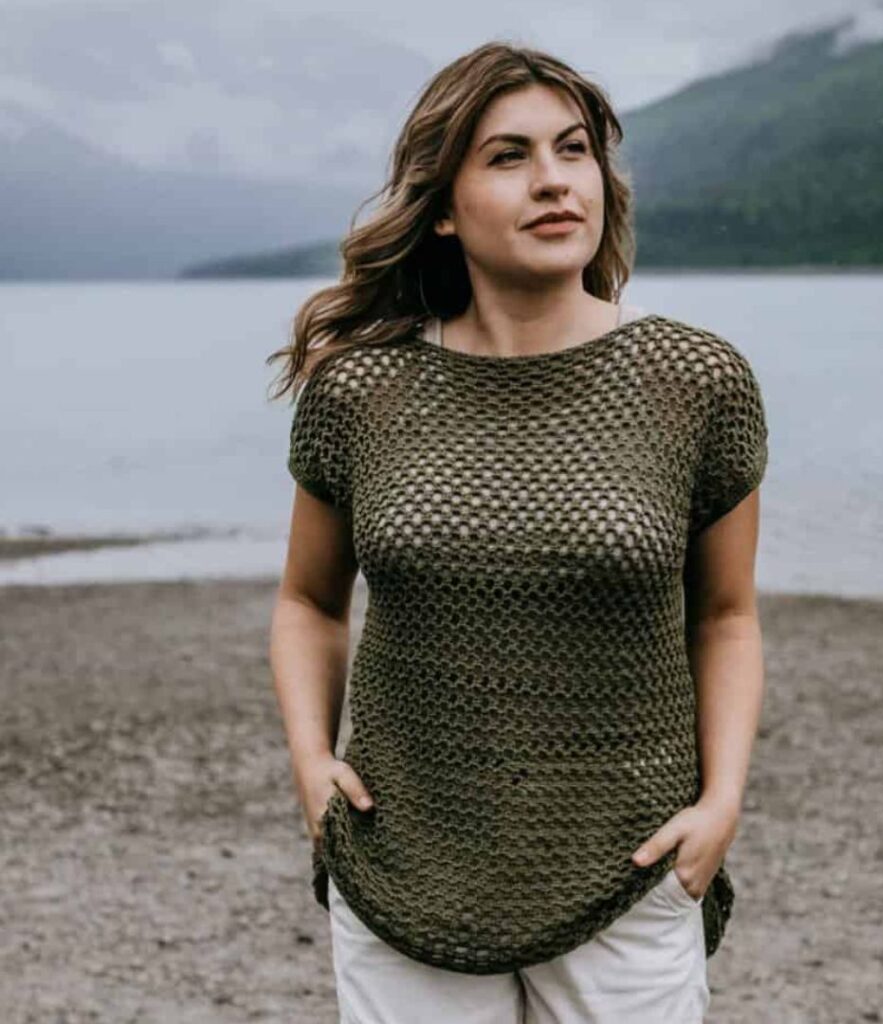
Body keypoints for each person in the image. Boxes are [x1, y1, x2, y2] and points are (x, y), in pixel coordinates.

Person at [267, 40, 769, 1024]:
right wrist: (308, 765)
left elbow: (726, 616)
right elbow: (306, 602)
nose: (553, 181)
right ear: (443, 205)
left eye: (573, 150)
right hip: (403, 865)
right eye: (508, 156)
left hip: (633, 864)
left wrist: (723, 802)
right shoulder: (360, 390)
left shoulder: (696, 381)